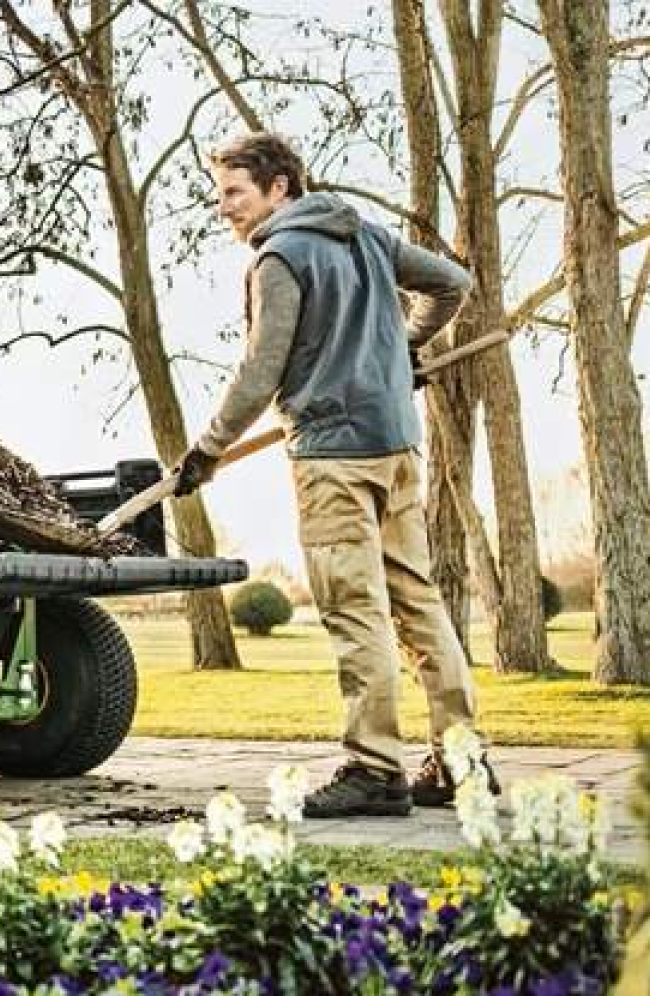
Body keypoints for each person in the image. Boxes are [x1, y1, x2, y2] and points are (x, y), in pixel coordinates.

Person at [174, 132, 497, 818]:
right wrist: (399, 349)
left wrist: (206, 449)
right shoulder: (368, 236)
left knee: (355, 608)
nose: (223, 207)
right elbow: (453, 284)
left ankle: (374, 768)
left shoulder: (280, 257)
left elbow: (261, 370)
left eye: (234, 192)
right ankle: (462, 760)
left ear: (279, 187)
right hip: (397, 447)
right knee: (418, 601)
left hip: (333, 457)